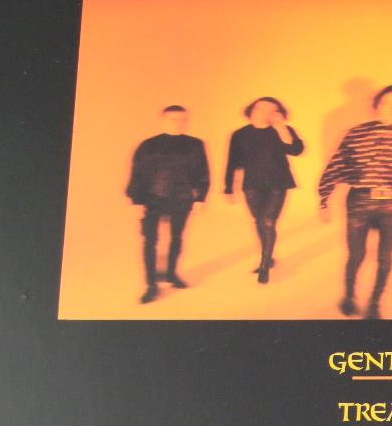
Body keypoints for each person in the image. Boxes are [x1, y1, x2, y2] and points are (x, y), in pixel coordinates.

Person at [318, 84, 392, 319]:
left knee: (385, 256)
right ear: (377, 106)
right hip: (360, 202)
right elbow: (336, 164)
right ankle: (349, 296)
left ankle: (374, 303)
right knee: (356, 255)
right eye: (386, 103)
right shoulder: (357, 133)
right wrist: (324, 198)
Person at [126, 105, 211, 304]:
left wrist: (201, 197)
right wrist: (136, 200)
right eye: (173, 119)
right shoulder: (148, 145)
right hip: (152, 199)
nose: (178, 123)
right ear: (163, 120)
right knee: (150, 242)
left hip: (181, 198)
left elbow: (203, 172)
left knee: (177, 237)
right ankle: (151, 286)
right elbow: (137, 174)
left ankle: (171, 274)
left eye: (182, 119)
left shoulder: (195, 144)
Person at [225, 97, 304, 283]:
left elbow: (296, 150)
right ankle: (269, 257)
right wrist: (228, 187)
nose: (265, 113)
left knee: (268, 221)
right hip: (252, 185)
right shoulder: (239, 134)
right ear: (252, 109)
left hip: (278, 183)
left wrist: (281, 127)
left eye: (272, 110)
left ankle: (264, 265)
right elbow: (233, 162)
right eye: (261, 108)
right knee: (259, 221)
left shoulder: (282, 130)